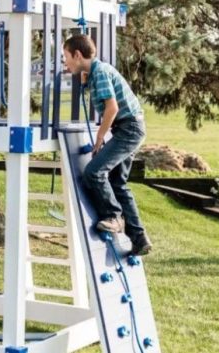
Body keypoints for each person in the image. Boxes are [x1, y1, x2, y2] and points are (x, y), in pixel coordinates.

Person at [62, 34, 152, 256]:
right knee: (118, 183)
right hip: (131, 127)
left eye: (66, 57)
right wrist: (86, 82)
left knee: (94, 172)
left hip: (128, 128)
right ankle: (140, 239)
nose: (65, 62)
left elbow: (112, 108)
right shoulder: (98, 72)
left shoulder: (100, 72)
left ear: (77, 54)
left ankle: (114, 217)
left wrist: (100, 137)